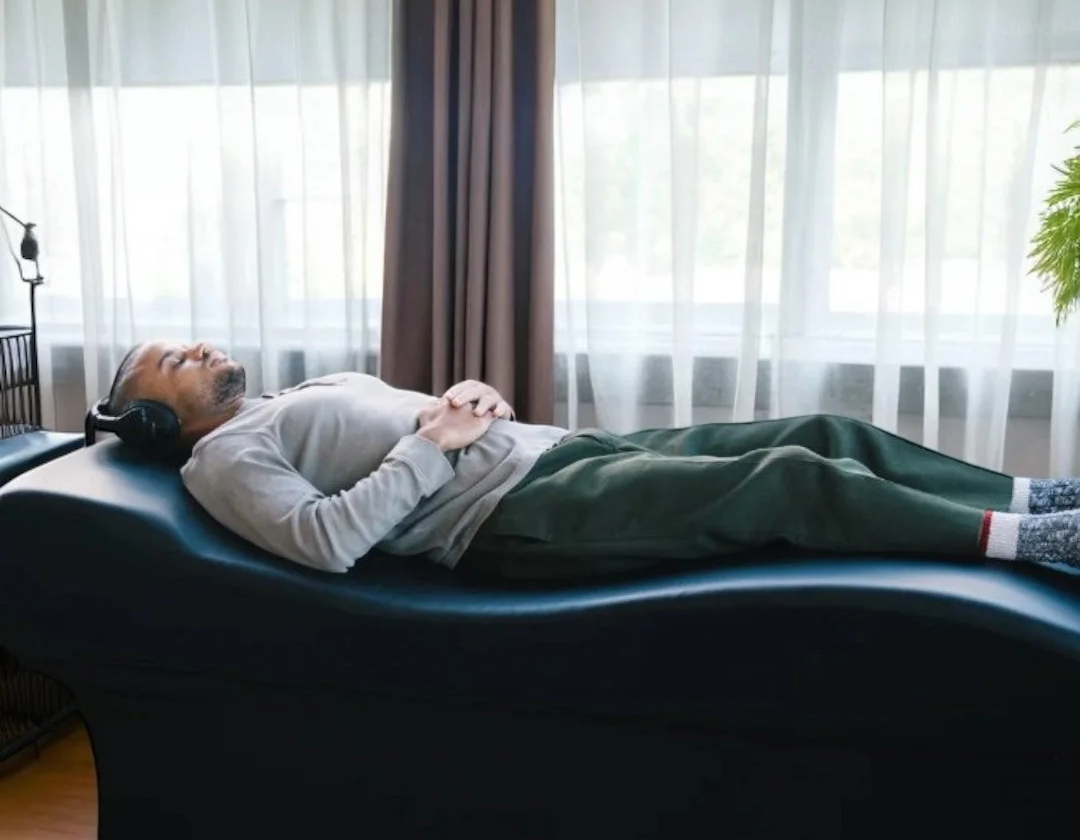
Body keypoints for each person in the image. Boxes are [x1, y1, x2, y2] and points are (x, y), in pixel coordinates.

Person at [93, 338, 1080, 584]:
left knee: (825, 432)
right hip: (519, 517)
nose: (209, 350)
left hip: (557, 455)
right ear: (150, 416)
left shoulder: (291, 398)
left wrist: (464, 396)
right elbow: (327, 544)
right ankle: (1031, 541)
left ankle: (1035, 493)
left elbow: (427, 423)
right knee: (792, 480)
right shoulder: (225, 460)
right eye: (181, 360)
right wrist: (436, 443)